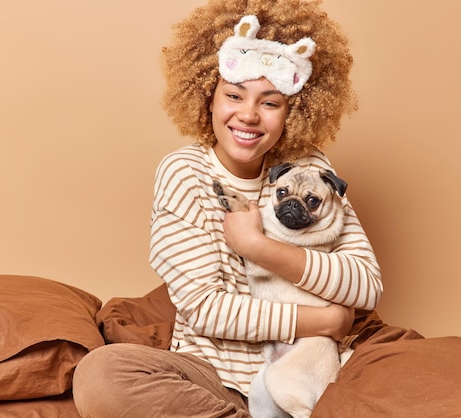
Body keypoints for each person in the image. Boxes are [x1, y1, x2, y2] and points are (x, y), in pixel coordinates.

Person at [73, 0, 382, 416]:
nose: (249, 115)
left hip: (301, 373)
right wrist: (324, 322)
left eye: (270, 102)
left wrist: (259, 247)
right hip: (209, 376)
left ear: (295, 110)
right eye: (234, 95)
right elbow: (205, 309)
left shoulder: (310, 166)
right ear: (207, 97)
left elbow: (365, 285)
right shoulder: (184, 172)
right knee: (102, 376)